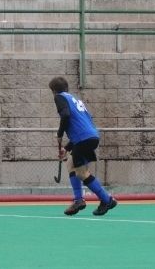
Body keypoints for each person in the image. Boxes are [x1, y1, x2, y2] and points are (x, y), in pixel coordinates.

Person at [49, 76, 117, 217]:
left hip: (83, 139)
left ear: (53, 91)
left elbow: (65, 116)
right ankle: (79, 199)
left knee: (81, 172)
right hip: (90, 137)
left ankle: (107, 200)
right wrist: (66, 148)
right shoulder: (75, 99)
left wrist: (60, 133)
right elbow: (82, 125)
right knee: (71, 163)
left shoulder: (59, 97)